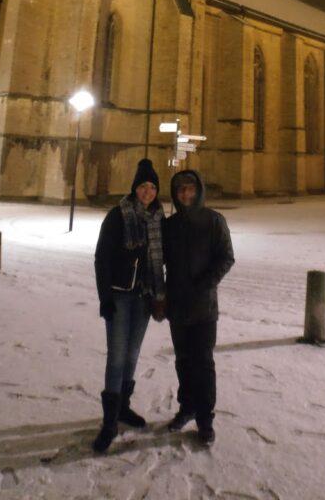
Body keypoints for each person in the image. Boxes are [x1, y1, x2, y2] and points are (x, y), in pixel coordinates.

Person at [93, 157, 165, 453]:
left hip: (144, 297)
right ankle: (109, 422)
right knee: (117, 356)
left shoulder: (158, 218)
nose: (148, 191)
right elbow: (102, 258)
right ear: (135, 188)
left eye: (152, 187)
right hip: (120, 296)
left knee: (132, 354)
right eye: (143, 186)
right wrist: (105, 298)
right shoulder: (118, 215)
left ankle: (123, 407)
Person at [163, 168, 234, 446]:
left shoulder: (214, 220)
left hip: (204, 306)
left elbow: (226, 257)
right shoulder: (170, 225)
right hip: (178, 304)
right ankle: (187, 407)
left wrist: (206, 283)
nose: (186, 194)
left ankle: (205, 419)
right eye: (181, 189)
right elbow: (160, 260)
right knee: (183, 360)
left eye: (190, 188)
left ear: (199, 190)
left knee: (203, 362)